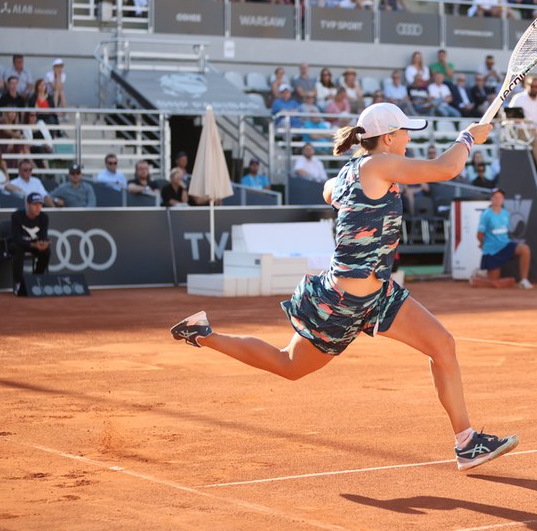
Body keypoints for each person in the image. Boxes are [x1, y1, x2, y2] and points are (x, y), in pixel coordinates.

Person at [170, 102, 518, 471]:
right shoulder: (377, 164)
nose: (408, 138)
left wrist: (345, 194)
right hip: (343, 300)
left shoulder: (355, 171)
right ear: (387, 138)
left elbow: (327, 188)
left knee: (442, 345)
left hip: (378, 294)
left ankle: (466, 443)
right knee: (288, 365)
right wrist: (469, 137)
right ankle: (204, 335)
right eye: (404, 132)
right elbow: (446, 168)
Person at [474, 188, 533, 290]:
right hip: (492, 251)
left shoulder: (506, 213)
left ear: (503, 199)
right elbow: (479, 235)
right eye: (495, 197)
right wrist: (485, 245)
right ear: (491, 199)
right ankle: (476, 279)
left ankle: (524, 280)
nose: (498, 199)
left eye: (500, 197)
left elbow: (506, 231)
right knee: (495, 283)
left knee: (524, 249)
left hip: (505, 245)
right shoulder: (486, 215)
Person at [11, 192, 51, 296]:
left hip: (35, 245)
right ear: (27, 205)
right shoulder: (16, 216)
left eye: (40, 205)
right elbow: (17, 239)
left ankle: (36, 280)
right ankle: (18, 283)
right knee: (17, 249)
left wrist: (44, 243)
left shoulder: (44, 217)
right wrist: (34, 245)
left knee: (46, 252)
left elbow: (43, 236)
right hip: (19, 245)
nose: (38, 208)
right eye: (35, 205)